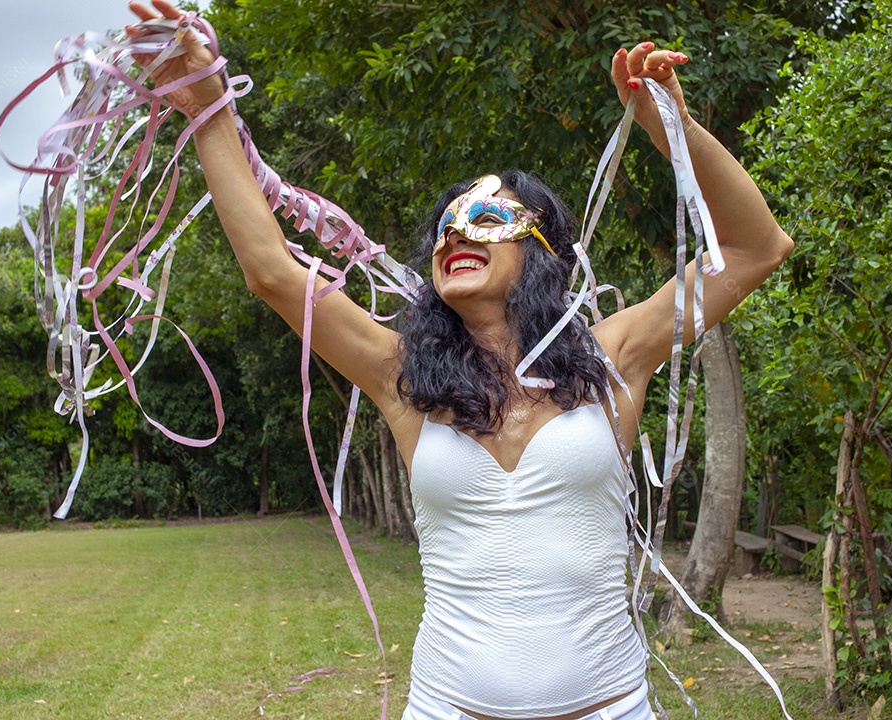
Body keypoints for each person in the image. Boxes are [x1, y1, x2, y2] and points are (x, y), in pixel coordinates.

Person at [126, 3, 794, 719]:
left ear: (540, 249)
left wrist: (673, 131)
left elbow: (758, 249)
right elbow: (274, 273)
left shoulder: (614, 357)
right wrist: (206, 106)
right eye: (445, 228)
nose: (455, 236)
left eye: (486, 218)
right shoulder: (402, 375)